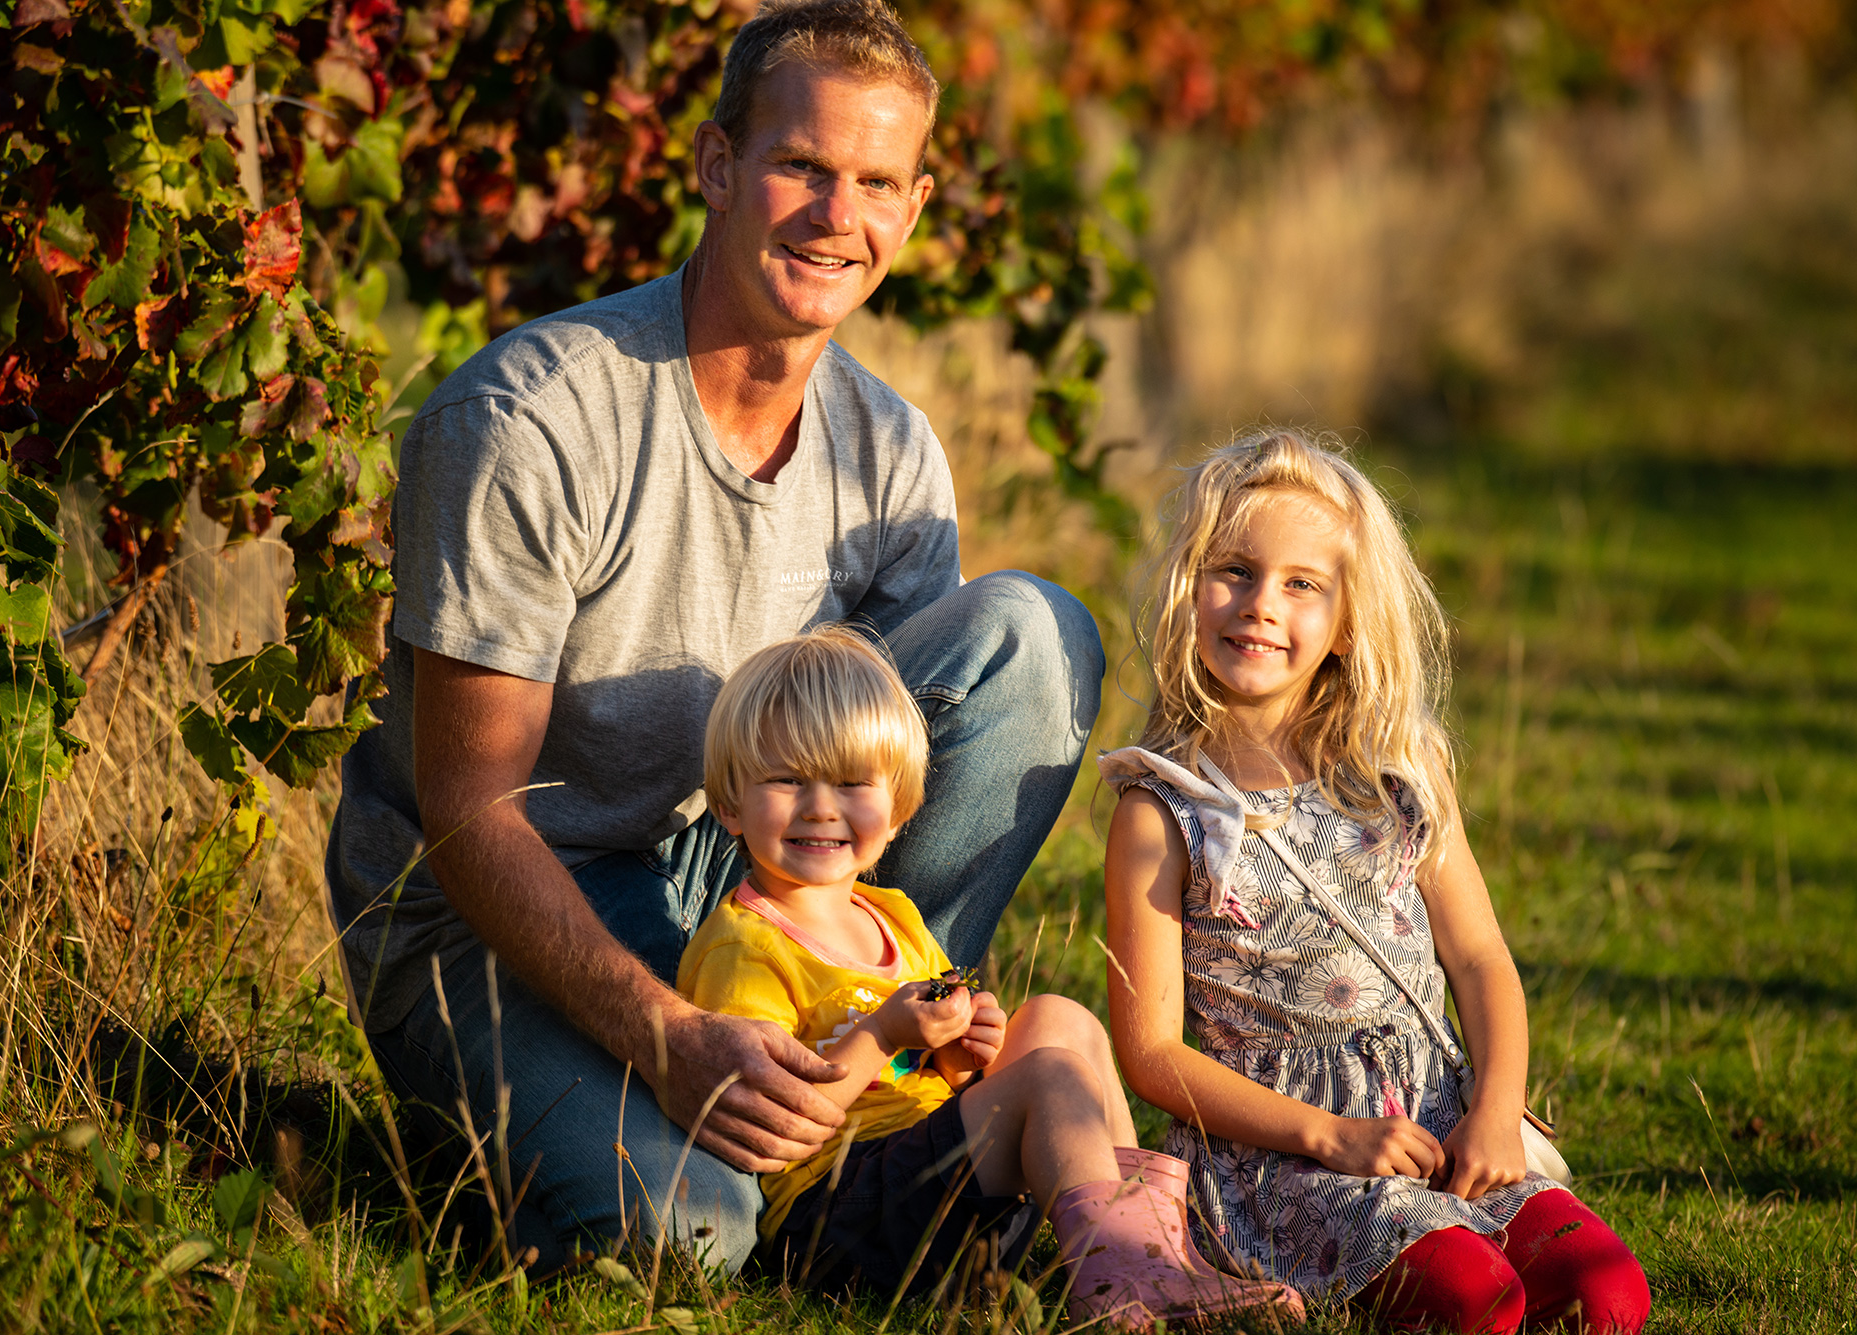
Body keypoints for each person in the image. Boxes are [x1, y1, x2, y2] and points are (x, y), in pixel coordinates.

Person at [323, 0, 1104, 1273]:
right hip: (491, 906)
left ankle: (875, 1120)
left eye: (873, 183)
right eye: (800, 166)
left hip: (736, 875)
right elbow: (468, 812)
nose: (833, 215)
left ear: (911, 207)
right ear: (716, 167)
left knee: (1030, 638)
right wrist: (669, 1038)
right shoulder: (532, 420)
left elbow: (885, 774)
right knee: (689, 1234)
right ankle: (525, 1136)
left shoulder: (891, 450)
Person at [1099, 430, 1652, 1333]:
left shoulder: (1397, 772)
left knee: (1606, 1293)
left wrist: (1497, 1110)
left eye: (1301, 584)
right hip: (1288, 1154)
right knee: (1476, 1299)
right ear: (1188, 584)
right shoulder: (1162, 810)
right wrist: (1335, 1137)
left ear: (1348, 619)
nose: (1259, 606)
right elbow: (1153, 1053)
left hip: (1440, 1116)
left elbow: (1478, 957)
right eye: (1232, 569)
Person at [676, 626, 1304, 1328]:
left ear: (899, 808)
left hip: (929, 1186)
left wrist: (958, 1050)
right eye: (789, 779)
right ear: (729, 804)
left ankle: (1156, 1251)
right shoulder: (744, 945)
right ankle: (1120, 1281)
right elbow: (778, 1115)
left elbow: (938, 1073)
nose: (822, 806)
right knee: (1049, 1076)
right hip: (836, 1218)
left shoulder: (892, 913)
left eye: (852, 783)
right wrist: (884, 1032)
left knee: (1062, 1019)